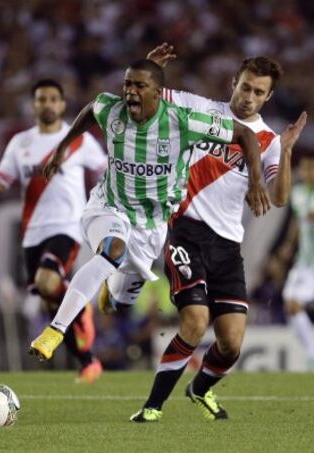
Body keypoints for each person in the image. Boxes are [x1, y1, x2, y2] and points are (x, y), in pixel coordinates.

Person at [29, 59, 270, 370]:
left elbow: (247, 137)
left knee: (120, 299)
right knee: (112, 248)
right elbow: (91, 110)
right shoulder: (111, 110)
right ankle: (54, 330)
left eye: (140, 86)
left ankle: (113, 287)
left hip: (151, 226)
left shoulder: (183, 121)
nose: (130, 91)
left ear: (158, 93)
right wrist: (63, 146)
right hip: (108, 206)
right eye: (128, 84)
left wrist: (256, 180)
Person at [129, 44, 307, 422]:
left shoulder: (270, 142)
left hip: (227, 245)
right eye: (245, 88)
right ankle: (152, 407)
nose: (249, 97)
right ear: (233, 83)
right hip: (186, 231)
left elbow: (278, 198)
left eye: (259, 92)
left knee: (231, 343)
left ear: (268, 96)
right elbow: (146, 91)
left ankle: (201, 389)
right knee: (194, 321)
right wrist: (151, 68)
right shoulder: (202, 110)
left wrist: (287, 152)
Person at [0, 78, 106, 383]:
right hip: (32, 232)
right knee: (51, 302)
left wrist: (100, 207)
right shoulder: (20, 143)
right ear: (34, 105)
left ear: (62, 105)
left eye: (52, 99)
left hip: (68, 226)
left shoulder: (77, 139)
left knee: (48, 281)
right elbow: (1, 186)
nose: (47, 104)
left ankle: (82, 309)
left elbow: (105, 170)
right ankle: (87, 361)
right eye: (41, 99)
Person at [280, 153, 314, 369]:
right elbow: (296, 221)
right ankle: (312, 351)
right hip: (303, 260)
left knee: (295, 304)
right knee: (288, 302)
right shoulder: (299, 193)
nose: (307, 173)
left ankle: (312, 355)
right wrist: (289, 245)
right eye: (304, 169)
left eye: (310, 169)